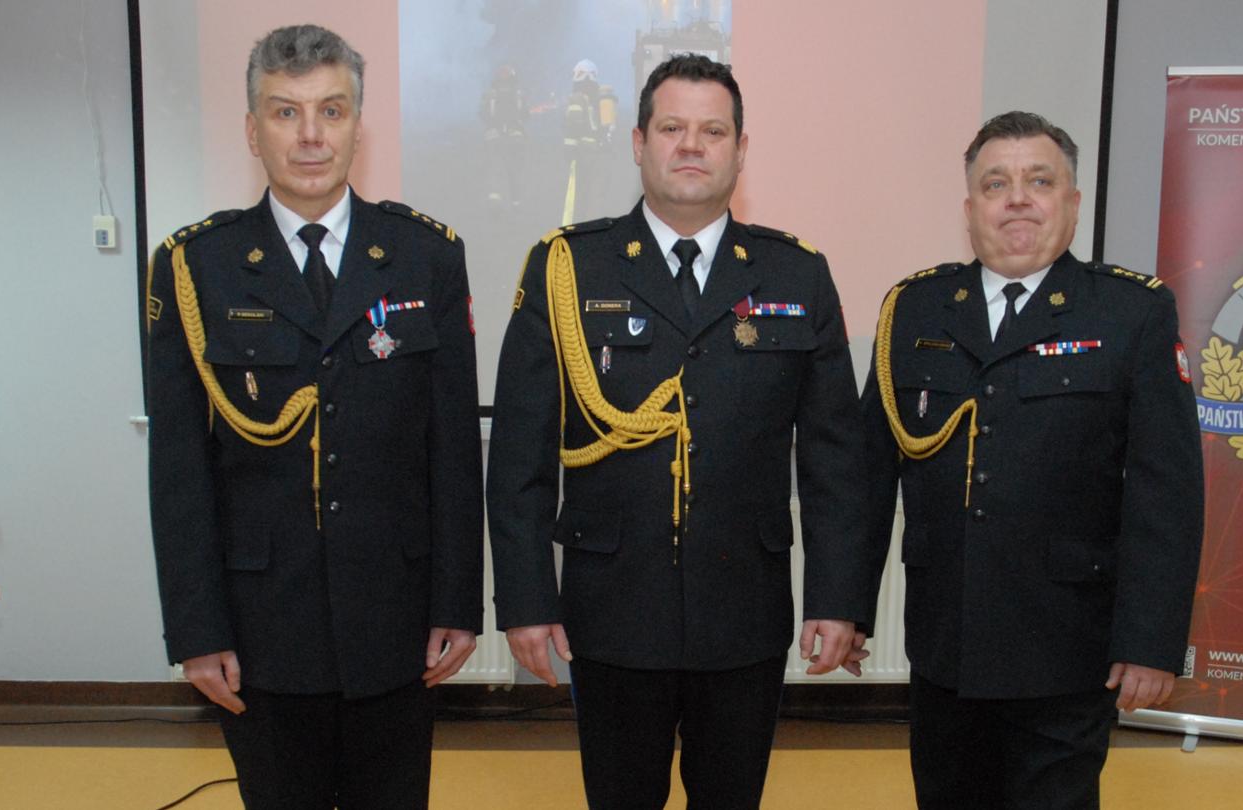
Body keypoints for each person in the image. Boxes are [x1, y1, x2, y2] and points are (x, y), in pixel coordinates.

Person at [486, 54, 878, 809]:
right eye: (672, 128)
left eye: (713, 131)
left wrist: (838, 598)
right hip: (611, 611)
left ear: (740, 149)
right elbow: (519, 458)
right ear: (638, 142)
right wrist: (527, 600)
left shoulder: (795, 274)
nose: (692, 145)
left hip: (745, 615)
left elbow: (836, 460)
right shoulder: (567, 267)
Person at [144, 24, 482, 810]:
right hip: (261, 627)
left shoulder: (426, 255)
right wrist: (196, 630)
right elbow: (179, 467)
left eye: (331, 111)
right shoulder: (196, 267)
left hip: (396, 620)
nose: (309, 136)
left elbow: (453, 450)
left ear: (358, 127)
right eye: (285, 112)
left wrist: (457, 605)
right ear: (251, 131)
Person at [858, 111, 1203, 809]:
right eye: (996, 184)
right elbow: (865, 473)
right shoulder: (916, 311)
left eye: (1039, 182)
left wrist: (1151, 641)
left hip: (1066, 650)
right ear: (969, 209)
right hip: (946, 645)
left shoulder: (1130, 314)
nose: (1017, 199)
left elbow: (1166, 492)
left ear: (1072, 203)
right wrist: (845, 607)